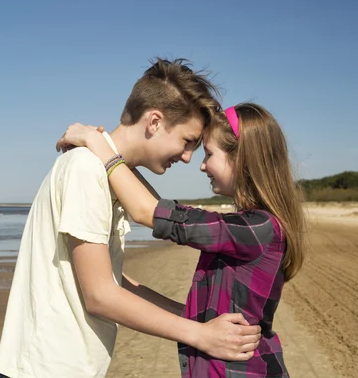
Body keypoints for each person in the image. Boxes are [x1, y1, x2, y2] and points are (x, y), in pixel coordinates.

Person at [0, 59, 261, 378]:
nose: (188, 158)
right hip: (44, 368)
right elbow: (100, 296)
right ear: (155, 122)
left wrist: (196, 319)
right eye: (187, 141)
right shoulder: (86, 169)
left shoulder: (104, 172)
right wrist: (200, 336)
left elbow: (112, 280)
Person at [57, 102, 307, 377]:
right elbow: (157, 207)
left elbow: (147, 211)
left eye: (208, 154)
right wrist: (107, 149)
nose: (201, 165)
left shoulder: (258, 228)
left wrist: (98, 144)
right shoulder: (252, 226)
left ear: (241, 158)